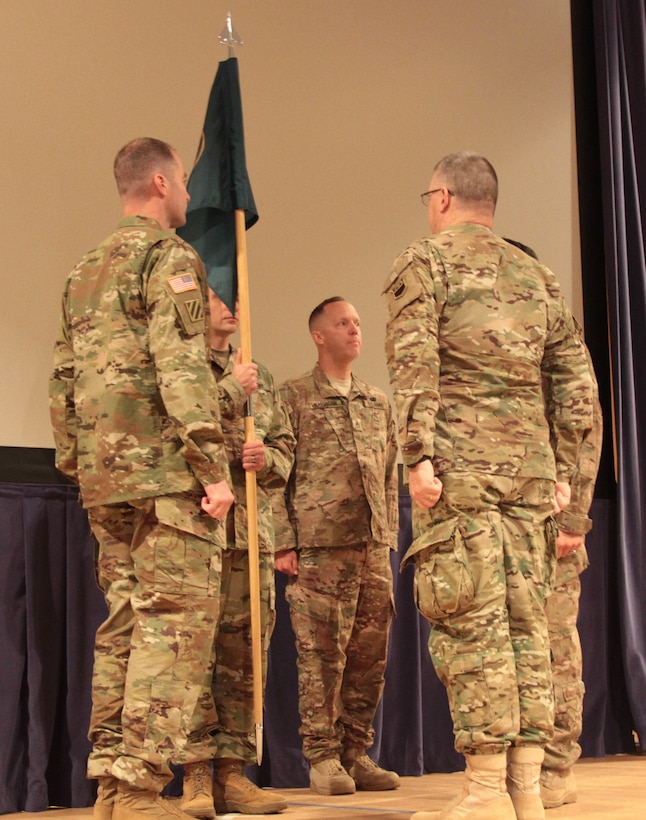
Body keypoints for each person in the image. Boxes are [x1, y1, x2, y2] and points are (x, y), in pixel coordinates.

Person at [383, 152, 595, 820]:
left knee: (471, 626)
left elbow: (412, 359)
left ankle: (482, 793)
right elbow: (577, 388)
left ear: (441, 197)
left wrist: (416, 455)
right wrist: (566, 479)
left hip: (461, 476)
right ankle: (526, 790)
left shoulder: (427, 261)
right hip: (531, 480)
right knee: (529, 628)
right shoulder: (537, 274)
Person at [49, 137, 234, 820]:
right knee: (176, 624)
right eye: (184, 180)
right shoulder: (170, 258)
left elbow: (64, 376)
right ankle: (137, 789)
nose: (189, 192)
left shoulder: (85, 270)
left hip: (106, 477)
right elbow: (181, 363)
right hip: (165, 474)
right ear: (159, 183)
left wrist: (78, 461)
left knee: (125, 622)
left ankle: (109, 786)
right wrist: (211, 467)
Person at [273, 297, 400, 796]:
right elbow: (276, 478)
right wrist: (283, 542)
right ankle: (323, 757)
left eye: (358, 323)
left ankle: (355, 751)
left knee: (369, 657)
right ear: (318, 335)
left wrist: (388, 535)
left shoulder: (377, 401)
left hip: (371, 547)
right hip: (319, 548)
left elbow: (390, 474)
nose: (354, 330)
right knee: (321, 656)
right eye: (343, 323)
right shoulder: (294, 397)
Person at [180, 290, 295, 817]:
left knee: (245, 655)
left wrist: (266, 456)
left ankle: (233, 774)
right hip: (198, 530)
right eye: (216, 296)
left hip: (251, 535)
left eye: (233, 295)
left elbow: (286, 451)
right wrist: (229, 390)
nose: (232, 304)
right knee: (195, 653)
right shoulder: (181, 368)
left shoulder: (260, 375)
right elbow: (176, 432)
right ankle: (197, 776)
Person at [502, 240, 604, 810]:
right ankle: (522, 763)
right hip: (510, 523)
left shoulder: (556, 341)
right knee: (516, 648)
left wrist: (572, 519)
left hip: (553, 525)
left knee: (555, 647)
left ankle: (558, 764)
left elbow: (584, 431)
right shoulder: (502, 347)